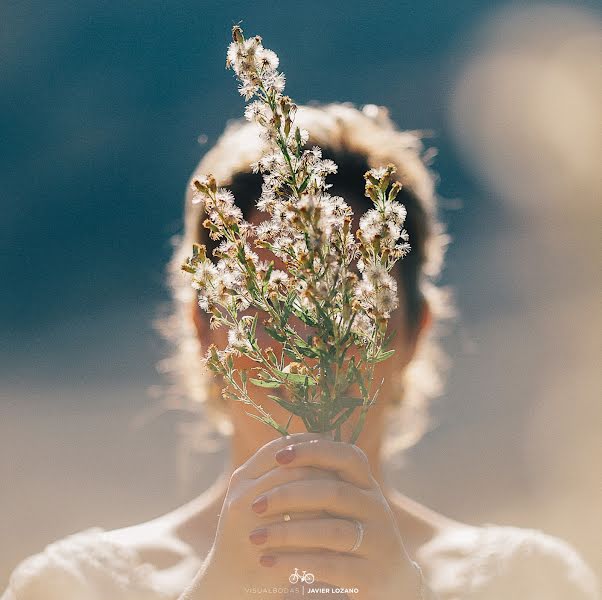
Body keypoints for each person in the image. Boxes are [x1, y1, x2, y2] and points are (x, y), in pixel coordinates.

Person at [2, 103, 599, 600]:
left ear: (413, 332)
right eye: (266, 309)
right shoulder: (74, 587)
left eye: (348, 311)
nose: (307, 353)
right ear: (204, 330)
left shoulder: (529, 582)